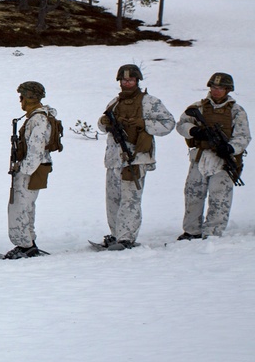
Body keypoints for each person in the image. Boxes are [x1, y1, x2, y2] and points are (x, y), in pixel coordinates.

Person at [96, 64, 175, 250]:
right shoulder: (115, 102)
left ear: (137, 81)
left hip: (135, 158)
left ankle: (127, 238)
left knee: (130, 199)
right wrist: (104, 123)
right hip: (114, 159)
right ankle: (116, 234)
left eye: (130, 80)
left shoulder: (150, 102)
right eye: (123, 80)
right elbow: (101, 125)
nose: (126, 83)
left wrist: (144, 124)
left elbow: (168, 123)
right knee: (113, 199)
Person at [175, 72, 250, 239]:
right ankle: (191, 230)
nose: (216, 91)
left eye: (221, 88)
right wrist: (193, 130)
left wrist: (230, 148)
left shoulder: (237, 111)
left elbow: (244, 136)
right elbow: (181, 125)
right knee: (193, 193)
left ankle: (213, 232)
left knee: (220, 196)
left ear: (228, 90)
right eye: (214, 87)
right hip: (200, 157)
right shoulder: (198, 107)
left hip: (223, 160)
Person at [3, 81, 57, 259]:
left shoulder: (38, 120)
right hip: (33, 168)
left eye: (23, 96)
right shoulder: (35, 118)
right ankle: (28, 243)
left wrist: (23, 171)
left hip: (31, 170)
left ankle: (24, 246)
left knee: (19, 207)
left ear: (30, 97)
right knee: (26, 207)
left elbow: (36, 149)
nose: (21, 101)